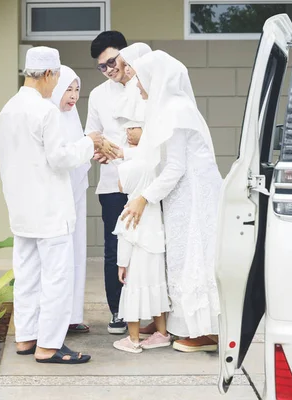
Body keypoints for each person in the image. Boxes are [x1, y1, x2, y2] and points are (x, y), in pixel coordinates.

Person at [0, 46, 103, 364]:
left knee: (27, 275)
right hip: (49, 210)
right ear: (47, 74)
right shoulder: (45, 111)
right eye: (57, 78)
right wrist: (90, 143)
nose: (57, 85)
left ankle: (27, 338)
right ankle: (49, 346)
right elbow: (60, 159)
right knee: (57, 277)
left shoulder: (8, 109)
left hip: (21, 209)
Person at [123, 50, 223, 353]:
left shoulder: (177, 111)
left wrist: (143, 197)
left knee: (196, 259)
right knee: (184, 257)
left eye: (140, 79)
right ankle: (194, 327)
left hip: (195, 195)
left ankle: (208, 332)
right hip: (184, 194)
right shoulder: (171, 108)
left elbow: (176, 166)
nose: (138, 86)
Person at [85, 31, 138, 335]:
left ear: (125, 54)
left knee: (150, 245)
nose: (108, 69)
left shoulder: (146, 85)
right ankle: (118, 311)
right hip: (112, 183)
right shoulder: (98, 95)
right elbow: (91, 134)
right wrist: (98, 147)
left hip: (145, 181)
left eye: (111, 61)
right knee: (114, 248)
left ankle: (154, 311)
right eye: (101, 66)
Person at [112, 138, 171, 354]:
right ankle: (162, 334)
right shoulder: (154, 205)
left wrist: (121, 265)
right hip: (155, 259)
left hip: (136, 263)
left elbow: (125, 240)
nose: (118, 183)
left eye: (120, 179)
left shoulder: (130, 209)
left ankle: (134, 339)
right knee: (156, 293)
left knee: (133, 296)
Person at [49, 65, 91, 334]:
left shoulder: (72, 116)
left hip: (76, 196)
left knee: (77, 254)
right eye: (68, 89)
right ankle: (55, 321)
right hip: (56, 199)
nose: (73, 96)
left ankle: (73, 315)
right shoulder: (49, 117)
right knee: (58, 260)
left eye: (76, 90)